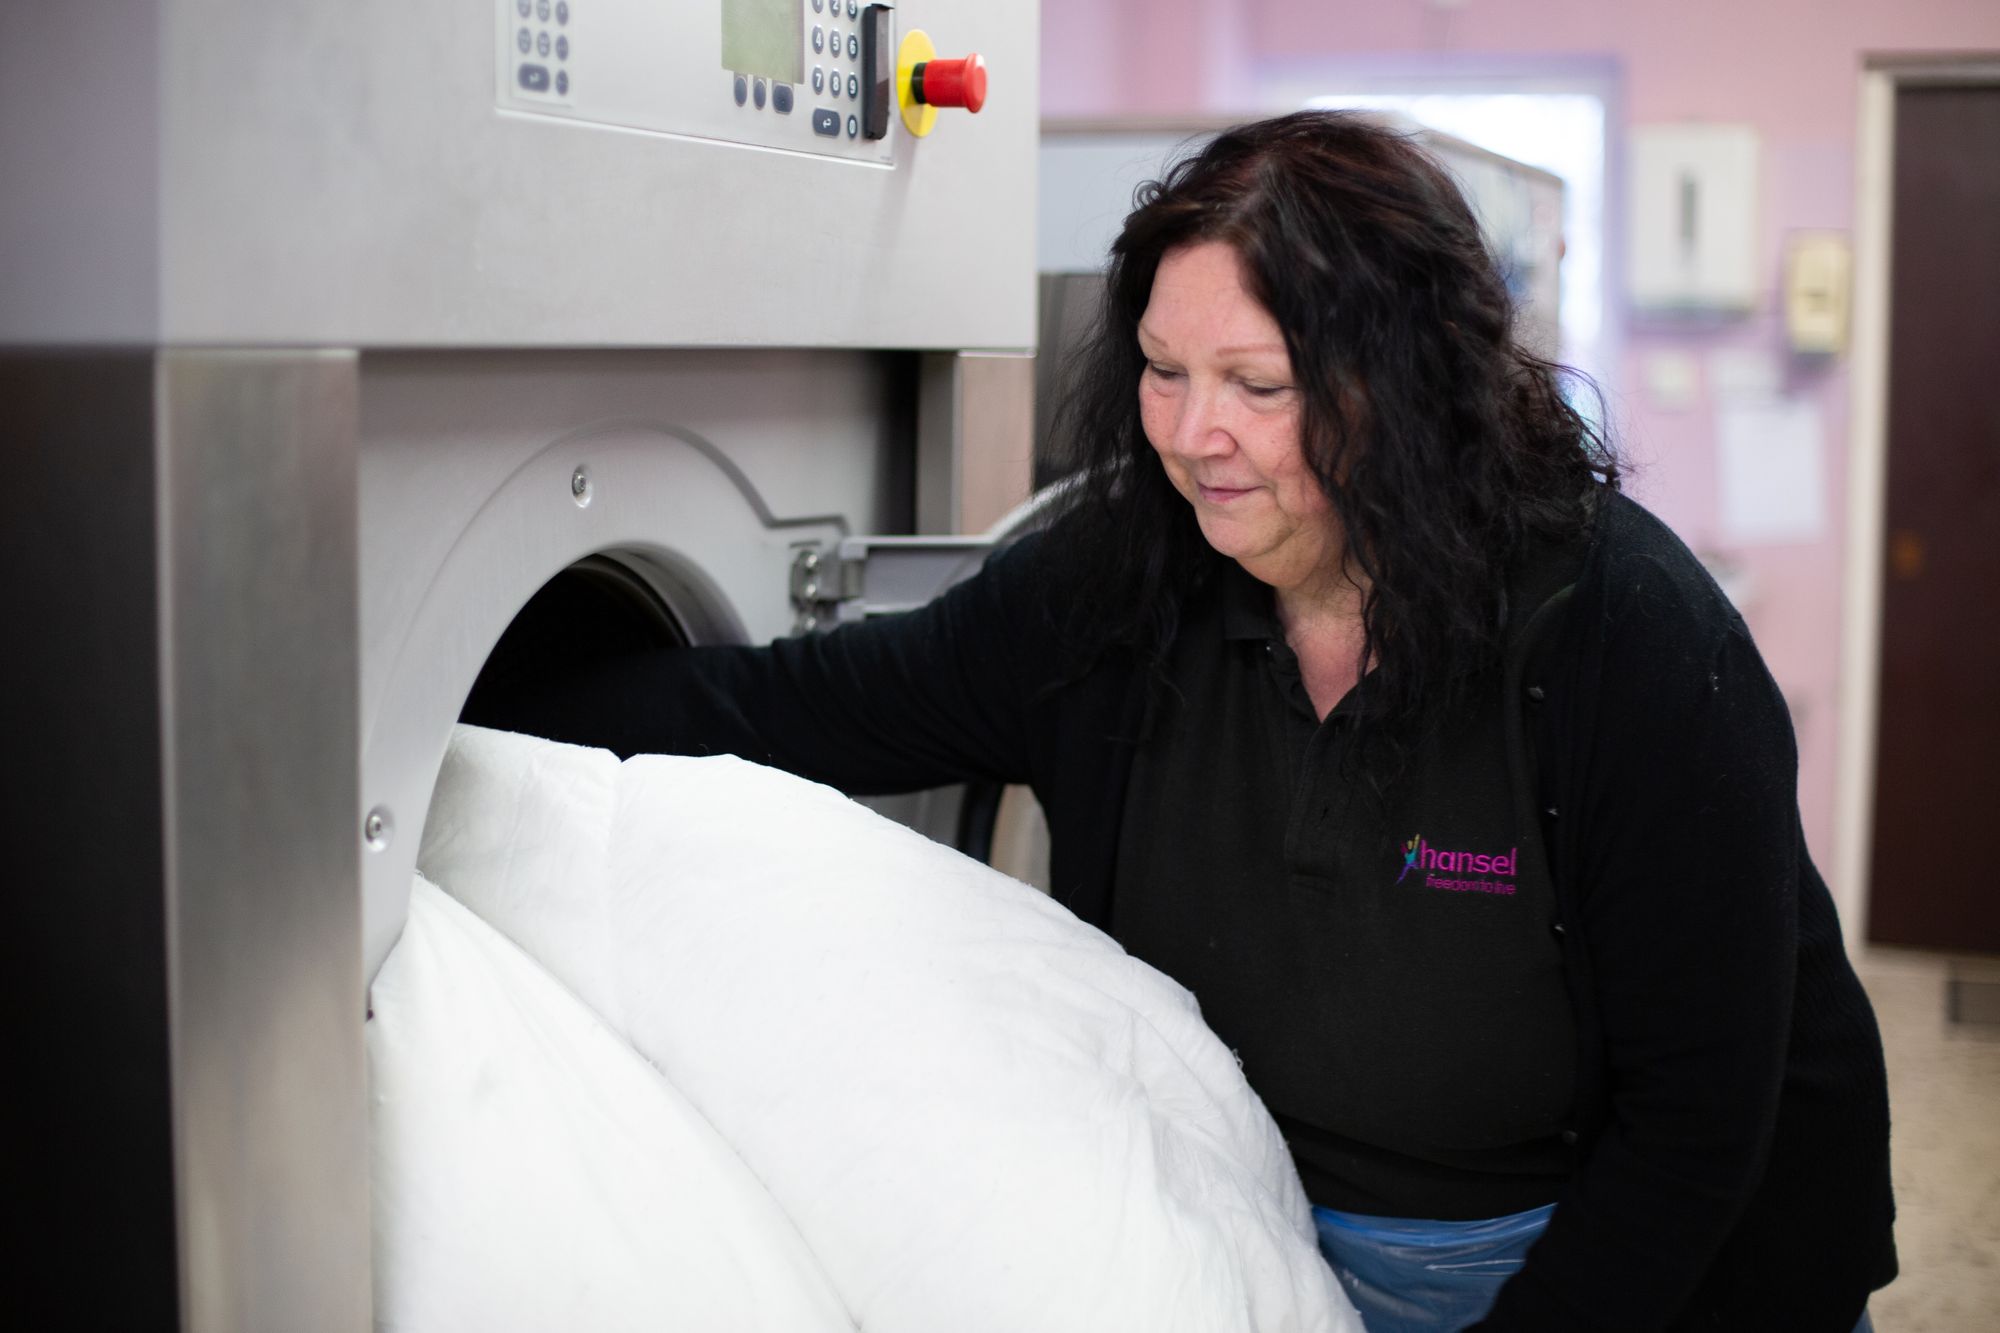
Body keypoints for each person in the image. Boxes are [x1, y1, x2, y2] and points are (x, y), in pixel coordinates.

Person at [472, 112, 1896, 1330]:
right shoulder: (1120, 585)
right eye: (1163, 368)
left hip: (1649, 1257)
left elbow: (1697, 1135)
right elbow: (793, 710)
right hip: (1269, 1235)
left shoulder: (1625, 641)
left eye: (1256, 386)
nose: (1190, 431)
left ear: (1404, 396)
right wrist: (449, 723)